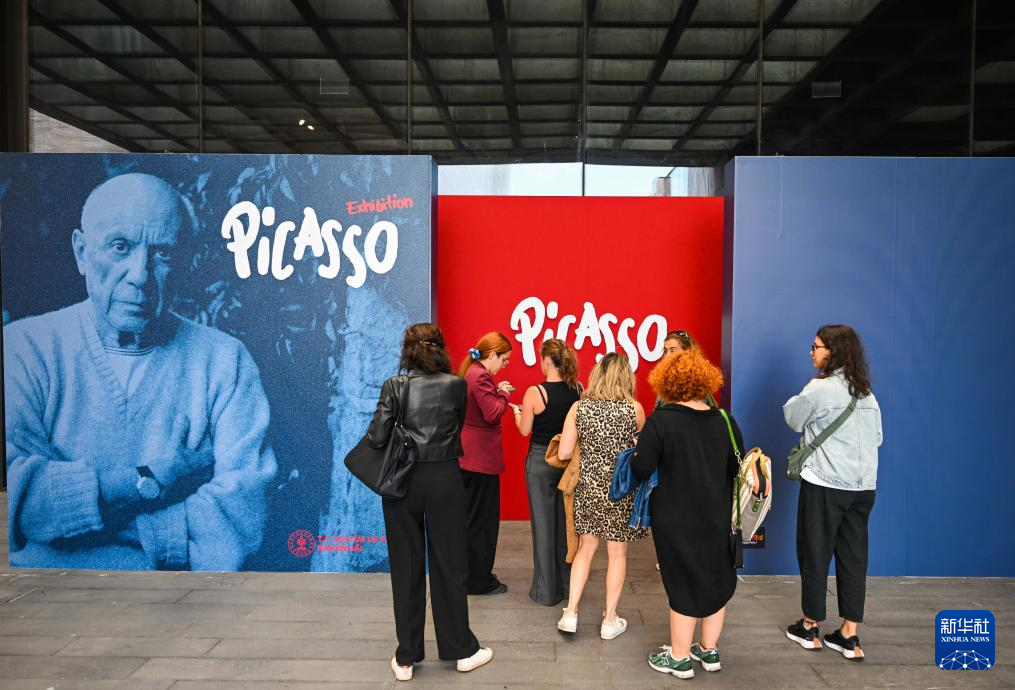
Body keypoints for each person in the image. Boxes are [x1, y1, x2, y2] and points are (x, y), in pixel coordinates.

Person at [4, 173, 277, 571]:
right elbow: (17, 504)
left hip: (180, 600)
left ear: (182, 262)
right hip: (45, 599)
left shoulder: (224, 362)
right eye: (120, 246)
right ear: (81, 253)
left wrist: (76, 515)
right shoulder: (23, 349)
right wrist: (159, 478)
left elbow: (239, 521)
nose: (140, 275)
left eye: (162, 254)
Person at [366, 323, 493, 681]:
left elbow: (376, 437)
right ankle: (461, 650)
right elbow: (457, 427)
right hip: (445, 479)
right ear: (440, 348)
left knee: (406, 567)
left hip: (403, 481)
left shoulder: (394, 386)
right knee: (450, 566)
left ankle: (406, 658)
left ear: (407, 350)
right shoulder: (456, 385)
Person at [632, 349, 742, 679]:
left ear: (666, 382)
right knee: (715, 577)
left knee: (681, 580)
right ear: (706, 381)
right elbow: (735, 468)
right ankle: (708, 650)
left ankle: (679, 658)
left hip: (674, 518)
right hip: (717, 515)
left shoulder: (661, 421)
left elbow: (641, 468)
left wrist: (638, 448)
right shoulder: (725, 420)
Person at [783, 325, 882, 661]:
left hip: (826, 484)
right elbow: (878, 438)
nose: (811, 352)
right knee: (854, 558)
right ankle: (849, 635)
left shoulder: (821, 388)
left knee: (814, 552)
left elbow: (792, 418)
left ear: (833, 352)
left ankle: (810, 627)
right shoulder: (866, 394)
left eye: (816, 346)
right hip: (863, 488)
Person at [554, 352, 646, 640]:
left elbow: (564, 453)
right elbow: (642, 453)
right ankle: (609, 620)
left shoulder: (579, 408)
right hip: (621, 490)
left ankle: (570, 613)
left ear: (597, 375)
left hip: (588, 489)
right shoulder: (635, 410)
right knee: (617, 554)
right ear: (626, 377)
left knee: (585, 549)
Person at [512, 338, 581, 606]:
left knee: (543, 528)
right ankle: (567, 585)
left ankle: (546, 592)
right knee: (566, 528)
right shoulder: (578, 389)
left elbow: (524, 430)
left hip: (541, 462)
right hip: (568, 462)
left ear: (546, 361)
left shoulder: (535, 392)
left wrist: (517, 413)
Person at [457, 331, 515, 595]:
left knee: (473, 520)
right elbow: (492, 413)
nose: (505, 365)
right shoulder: (480, 376)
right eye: (504, 360)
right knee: (483, 523)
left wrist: (497, 390)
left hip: (470, 457)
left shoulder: (473, 372)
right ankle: (478, 581)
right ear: (492, 355)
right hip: (479, 459)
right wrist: (503, 394)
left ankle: (473, 575)